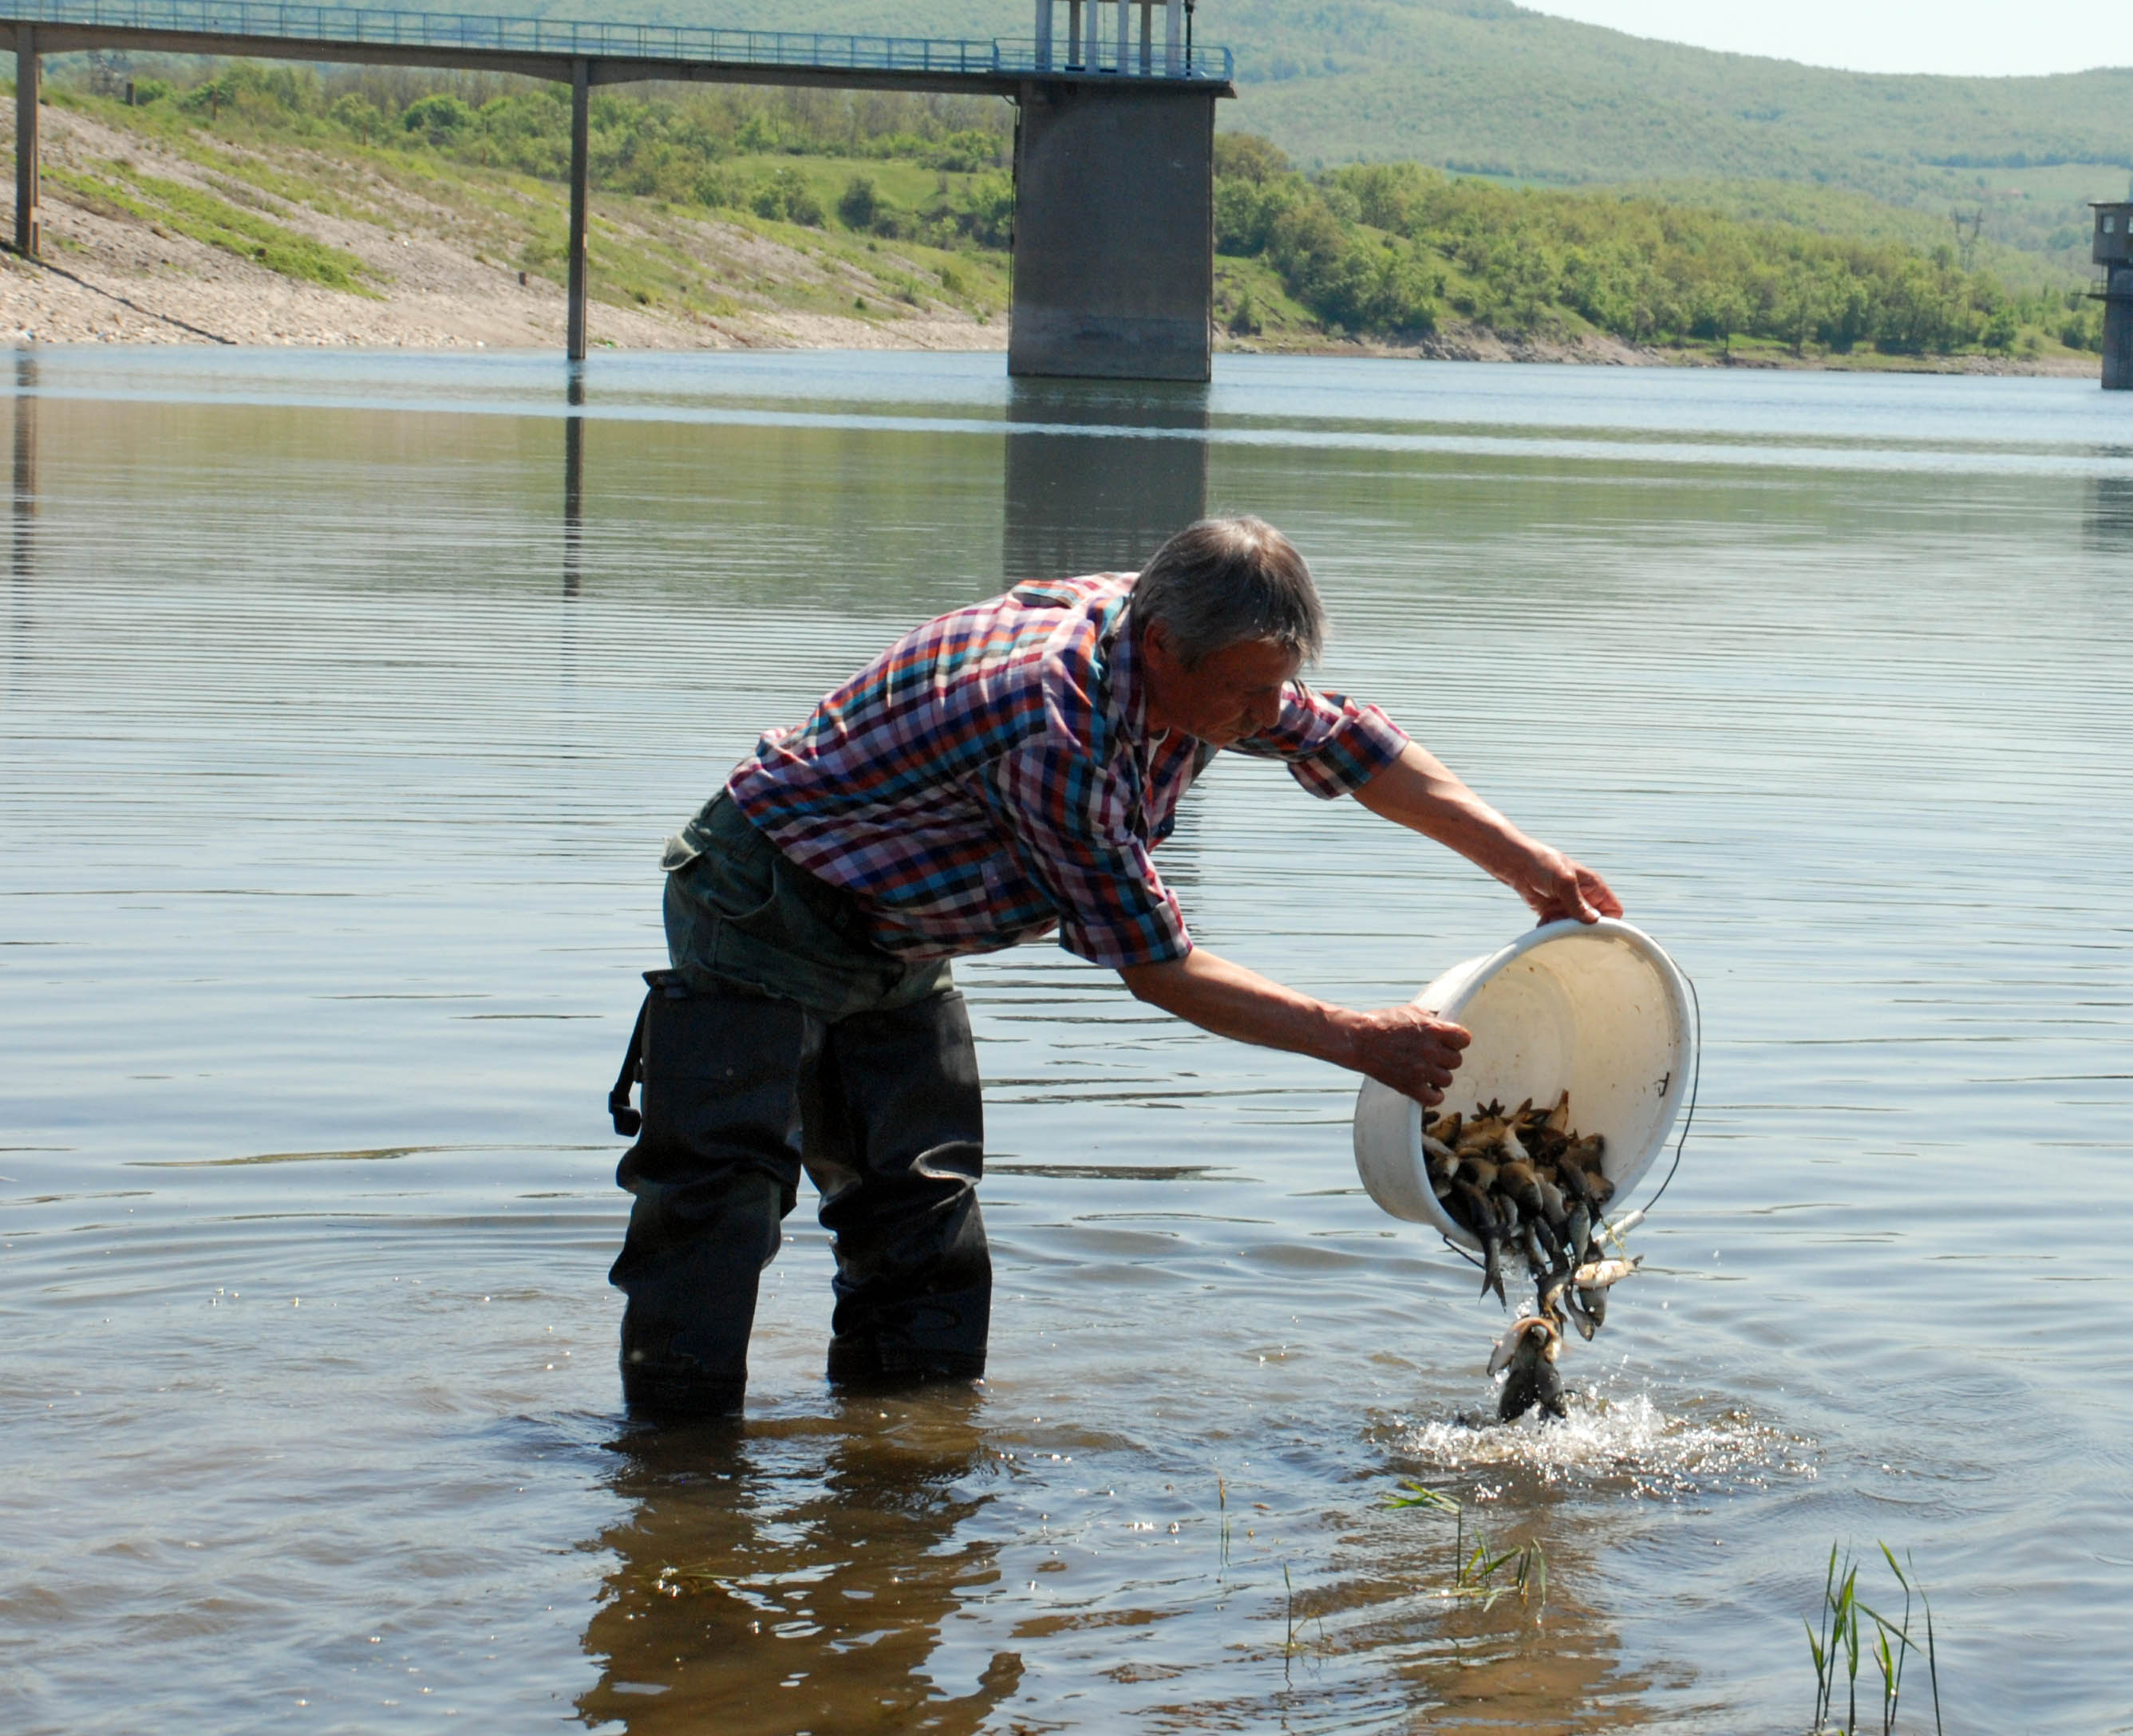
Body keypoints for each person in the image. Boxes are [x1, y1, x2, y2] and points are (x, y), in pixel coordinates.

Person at [606, 515, 1620, 1416]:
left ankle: (904, 1455)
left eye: (1279, 686)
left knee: (922, 1210)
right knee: (722, 1203)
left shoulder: (1208, 663)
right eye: (1245, 694)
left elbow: (1355, 743)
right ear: (1163, 646)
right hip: (766, 900)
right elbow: (1158, 968)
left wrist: (1526, 862)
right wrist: (1363, 1041)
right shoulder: (1058, 730)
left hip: (901, 928)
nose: (1267, 714)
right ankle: (680, 1476)